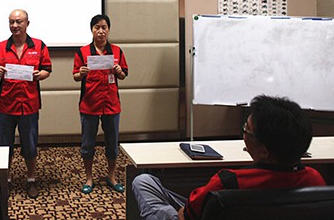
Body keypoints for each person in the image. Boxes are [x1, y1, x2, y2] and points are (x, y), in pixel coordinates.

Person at [132, 95, 326, 220]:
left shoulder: (228, 182)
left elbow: (185, 216)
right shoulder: (315, 180)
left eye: (246, 130)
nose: (244, 135)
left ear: (264, 151)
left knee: (144, 182)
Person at [0, 9, 52, 199]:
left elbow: (47, 69)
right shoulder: (0, 47)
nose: (14, 25)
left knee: (30, 146)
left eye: (19, 22)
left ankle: (31, 179)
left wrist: (39, 75)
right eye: (11, 22)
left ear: (27, 23)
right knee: (3, 146)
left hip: (29, 105)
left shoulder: (39, 45)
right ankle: (5, 180)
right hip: (5, 106)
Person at [73, 14, 128, 194]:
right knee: (87, 144)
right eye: (97, 27)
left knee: (112, 144)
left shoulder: (117, 51)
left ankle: (111, 176)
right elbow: (75, 77)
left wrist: (119, 71)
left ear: (108, 30)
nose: (101, 31)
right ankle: (89, 178)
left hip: (111, 105)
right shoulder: (82, 52)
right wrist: (81, 73)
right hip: (89, 105)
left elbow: (123, 75)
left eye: (104, 27)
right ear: (92, 30)